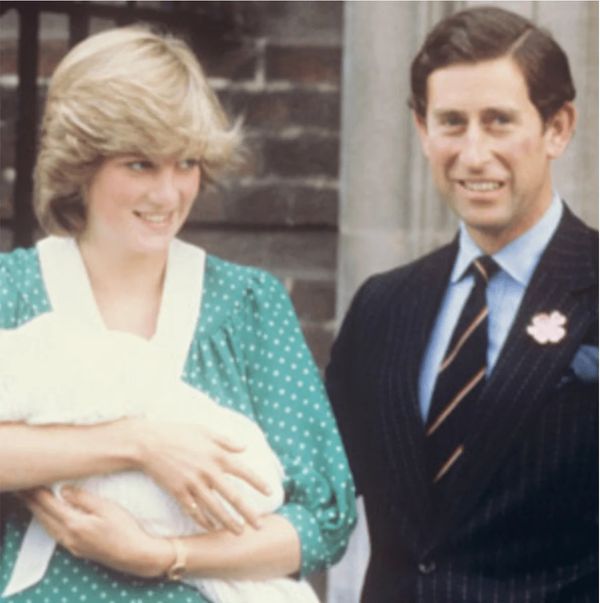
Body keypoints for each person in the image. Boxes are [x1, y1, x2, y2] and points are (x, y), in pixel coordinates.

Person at [0, 26, 356, 603]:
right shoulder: (12, 293)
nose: (168, 194)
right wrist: (139, 443)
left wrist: (160, 556)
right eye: (140, 165)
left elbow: (322, 521)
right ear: (80, 164)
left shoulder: (247, 306)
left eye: (185, 163)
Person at [326, 6, 597, 602]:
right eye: (452, 123)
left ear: (558, 127)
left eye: (498, 121)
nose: (473, 154)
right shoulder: (382, 307)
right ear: (422, 131)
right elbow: (320, 494)